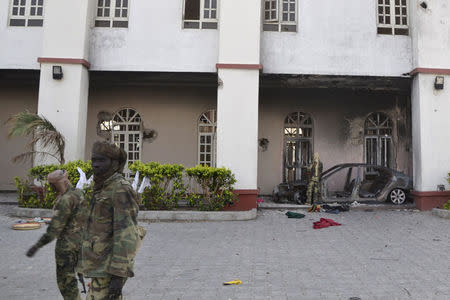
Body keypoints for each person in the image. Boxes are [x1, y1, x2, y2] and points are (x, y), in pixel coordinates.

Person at [78, 141, 145, 300]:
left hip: (111, 267)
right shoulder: (102, 185)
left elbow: (126, 234)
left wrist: (118, 275)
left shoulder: (120, 189)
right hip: (100, 262)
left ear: (114, 163)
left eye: (101, 160)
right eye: (94, 160)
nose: (95, 164)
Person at [26, 169, 87, 300]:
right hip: (80, 243)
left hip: (66, 247)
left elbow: (53, 231)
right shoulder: (80, 193)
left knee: (66, 284)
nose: (51, 188)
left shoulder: (64, 200)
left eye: (52, 185)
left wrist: (37, 246)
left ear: (57, 184)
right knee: (73, 280)